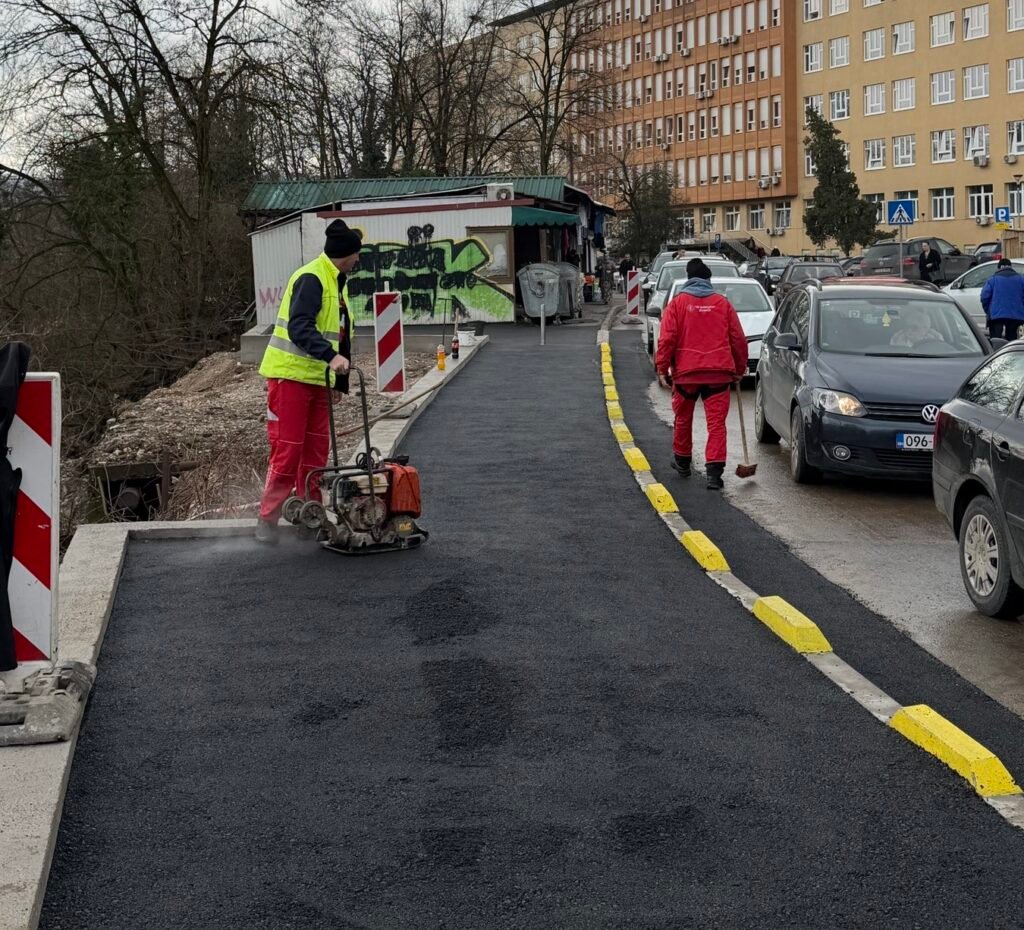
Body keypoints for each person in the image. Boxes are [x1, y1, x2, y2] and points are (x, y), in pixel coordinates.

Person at [255, 219, 362, 544]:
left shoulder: (336, 283)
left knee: (316, 454)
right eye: (357, 254)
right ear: (347, 255)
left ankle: (309, 517)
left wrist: (337, 384)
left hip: (318, 382)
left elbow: (340, 335)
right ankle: (267, 520)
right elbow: (300, 328)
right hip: (290, 379)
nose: (359, 260)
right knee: (288, 452)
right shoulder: (312, 278)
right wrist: (331, 359)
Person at [655, 258, 747, 491]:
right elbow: (738, 339)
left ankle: (683, 462)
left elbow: (667, 339)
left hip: (686, 375)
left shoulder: (677, 304)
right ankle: (714, 475)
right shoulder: (722, 304)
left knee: (683, 418)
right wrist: (738, 369)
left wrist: (662, 367)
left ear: (688, 279)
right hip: (718, 375)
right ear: (708, 280)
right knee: (716, 424)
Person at [981, 258, 1024, 340]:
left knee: (996, 339)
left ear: (999, 267)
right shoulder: (1021, 279)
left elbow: (984, 297)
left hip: (996, 315)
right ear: (1010, 267)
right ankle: (1011, 352)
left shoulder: (992, 279)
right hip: (1015, 315)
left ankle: (997, 352)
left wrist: (988, 310)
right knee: (1011, 338)